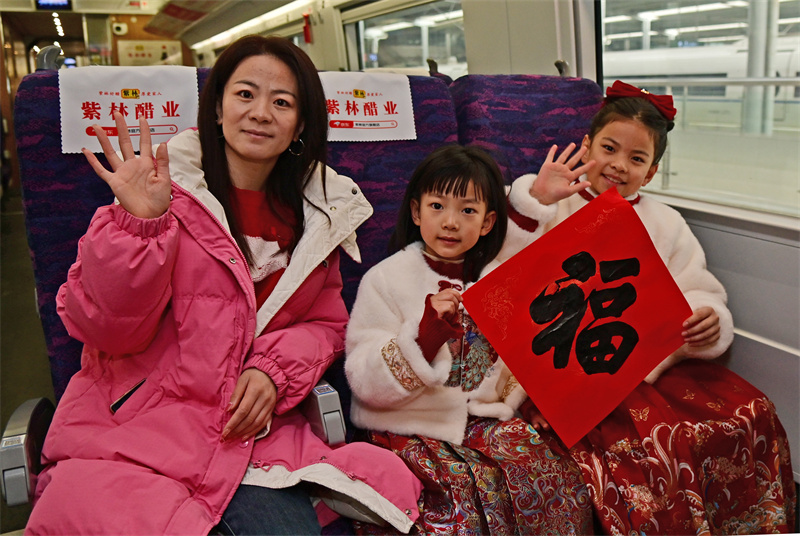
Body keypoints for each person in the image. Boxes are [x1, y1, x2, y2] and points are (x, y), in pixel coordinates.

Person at [26, 35, 422, 535]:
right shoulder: (155, 192)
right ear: (216, 108)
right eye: (245, 94)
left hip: (250, 437)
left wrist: (274, 371)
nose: (261, 113)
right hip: (137, 430)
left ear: (300, 124)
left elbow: (324, 324)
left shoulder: (322, 215)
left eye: (282, 102)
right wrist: (138, 227)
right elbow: (107, 331)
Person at [514, 80, 796, 534]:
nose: (619, 165)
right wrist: (535, 203)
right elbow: (503, 275)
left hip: (644, 363)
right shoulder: (547, 203)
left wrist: (707, 320)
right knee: (638, 446)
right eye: (609, 148)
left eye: (637, 158)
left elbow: (695, 288)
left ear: (651, 172)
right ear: (586, 146)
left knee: (752, 410)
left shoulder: (666, 222)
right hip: (563, 365)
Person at [345, 144, 593, 534]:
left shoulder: (494, 275)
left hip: (483, 419)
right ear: (416, 212)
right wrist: (424, 338)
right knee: (468, 501)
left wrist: (529, 400)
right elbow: (363, 380)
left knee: (555, 476)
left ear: (488, 222)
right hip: (410, 425)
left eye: (468, 211)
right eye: (437, 206)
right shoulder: (386, 279)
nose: (450, 222)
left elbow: (518, 350)